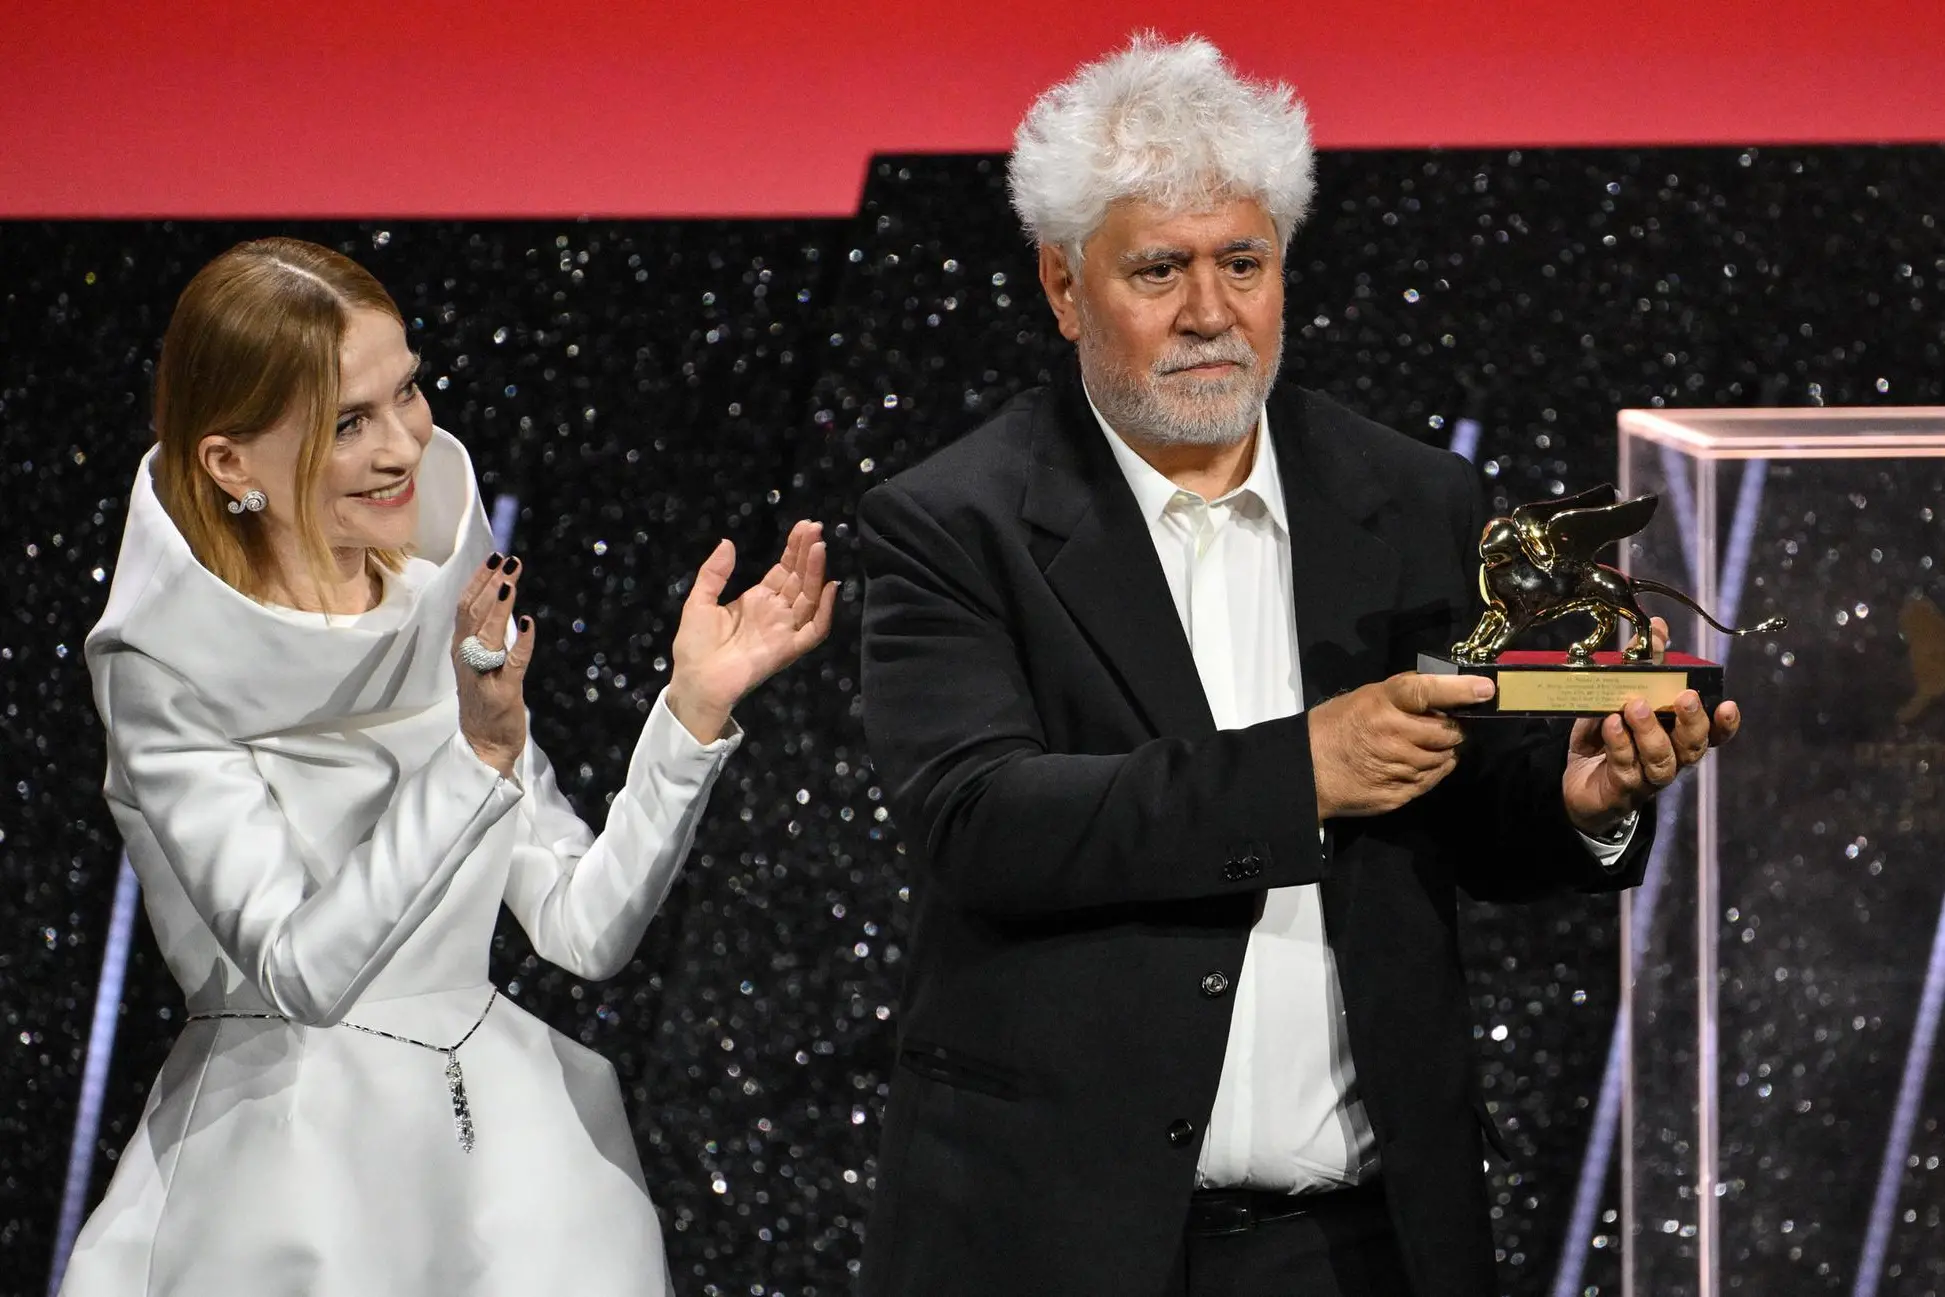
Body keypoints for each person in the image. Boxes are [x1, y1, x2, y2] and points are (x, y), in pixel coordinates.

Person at [855, 36, 1742, 1297]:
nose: (1210, 312)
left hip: (1365, 1246)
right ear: (1061, 284)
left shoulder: (1412, 497)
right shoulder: (951, 522)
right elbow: (977, 820)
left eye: (1243, 264)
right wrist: (1300, 772)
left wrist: (1576, 800)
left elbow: (1473, 805)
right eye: (1158, 268)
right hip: (1058, 1244)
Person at [63, 237, 835, 1296]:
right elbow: (299, 973)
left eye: (408, 390)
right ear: (229, 463)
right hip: (289, 1177)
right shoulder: (165, 673)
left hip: (509, 1169)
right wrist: (473, 756)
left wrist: (689, 714)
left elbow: (584, 927)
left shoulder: (440, 604)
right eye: (349, 423)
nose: (405, 446)